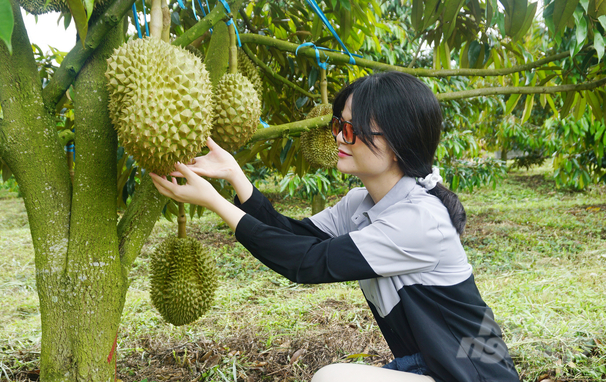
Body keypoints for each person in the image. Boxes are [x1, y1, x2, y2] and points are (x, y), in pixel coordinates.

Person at [150, 71, 520, 382]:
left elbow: (306, 263)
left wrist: (214, 202)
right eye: (338, 124)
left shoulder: (420, 220)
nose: (339, 137)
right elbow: (292, 235)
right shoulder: (361, 204)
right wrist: (235, 177)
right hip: (432, 367)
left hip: (473, 375)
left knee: (332, 379)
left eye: (353, 129)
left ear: (396, 142)